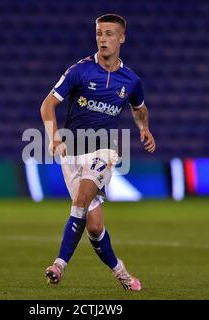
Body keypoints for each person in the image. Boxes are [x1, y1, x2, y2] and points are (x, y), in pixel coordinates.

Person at [40, 13, 155, 291]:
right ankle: (121, 273)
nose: (103, 39)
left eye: (109, 34)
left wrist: (144, 129)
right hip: (72, 153)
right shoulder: (79, 70)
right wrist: (53, 137)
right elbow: (47, 105)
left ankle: (59, 264)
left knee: (82, 197)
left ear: (122, 38)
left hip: (105, 150)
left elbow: (139, 109)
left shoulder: (131, 80)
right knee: (93, 226)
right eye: (99, 33)